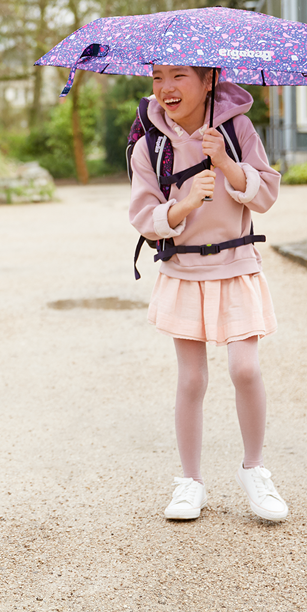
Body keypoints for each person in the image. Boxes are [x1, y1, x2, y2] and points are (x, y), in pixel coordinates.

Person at [129, 65, 288, 522]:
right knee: (192, 379)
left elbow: (266, 194)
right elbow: (142, 214)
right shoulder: (149, 145)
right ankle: (190, 481)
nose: (165, 89)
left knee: (245, 368)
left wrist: (226, 165)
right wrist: (182, 204)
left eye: (178, 76)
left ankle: (254, 470)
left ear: (208, 81)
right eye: (157, 78)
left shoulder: (236, 129)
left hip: (236, 265)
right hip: (183, 270)